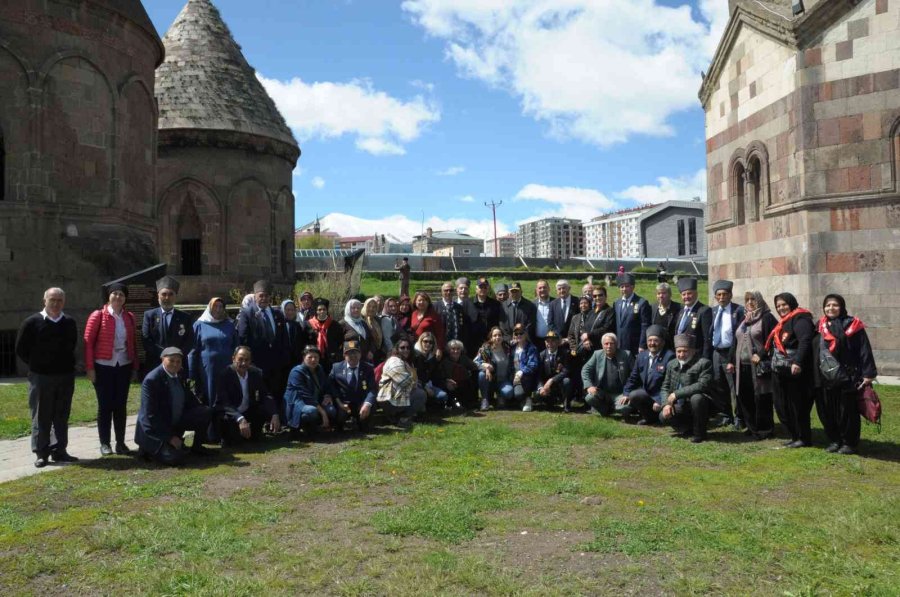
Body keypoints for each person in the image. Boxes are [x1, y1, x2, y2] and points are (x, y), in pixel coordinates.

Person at [15, 287, 79, 467]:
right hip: (41, 377)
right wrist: (38, 365)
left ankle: (60, 450)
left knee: (61, 415)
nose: (56, 303)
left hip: (65, 376)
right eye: (52, 300)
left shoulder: (69, 322)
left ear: (64, 302)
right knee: (41, 415)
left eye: (59, 300)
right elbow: (21, 349)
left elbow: (72, 346)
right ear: (45, 301)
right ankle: (41, 453)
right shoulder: (32, 322)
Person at [816, 294, 878, 455]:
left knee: (847, 411)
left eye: (835, 305)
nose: (831, 308)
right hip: (827, 376)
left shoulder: (853, 324)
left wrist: (868, 373)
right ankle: (835, 440)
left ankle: (849, 443)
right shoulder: (820, 325)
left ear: (842, 307)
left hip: (848, 375)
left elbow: (864, 349)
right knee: (829, 410)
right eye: (828, 305)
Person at [84, 282, 139, 456]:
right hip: (103, 366)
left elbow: (133, 343)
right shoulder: (98, 316)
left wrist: (135, 366)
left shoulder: (129, 317)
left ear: (125, 298)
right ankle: (105, 443)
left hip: (123, 365)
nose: (118, 297)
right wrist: (90, 368)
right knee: (105, 405)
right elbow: (88, 344)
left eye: (121, 294)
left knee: (120, 406)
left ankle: (121, 443)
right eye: (114, 293)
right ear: (108, 296)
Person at [135, 347, 213, 465]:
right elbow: (150, 415)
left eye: (178, 361)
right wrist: (169, 437)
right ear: (162, 360)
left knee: (205, 412)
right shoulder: (152, 380)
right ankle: (147, 450)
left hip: (174, 423)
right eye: (171, 361)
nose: (175, 364)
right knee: (175, 458)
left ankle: (193, 445)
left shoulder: (179, 375)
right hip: (155, 430)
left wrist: (201, 411)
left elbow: (190, 400)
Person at [766, 292, 816, 448]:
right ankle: (794, 435)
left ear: (792, 303)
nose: (781, 308)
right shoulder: (782, 323)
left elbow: (805, 342)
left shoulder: (801, 319)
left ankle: (803, 438)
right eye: (778, 306)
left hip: (795, 371)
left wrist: (798, 362)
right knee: (781, 405)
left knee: (797, 405)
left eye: (784, 304)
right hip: (780, 370)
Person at [188, 297, 238, 436]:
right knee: (210, 398)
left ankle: (227, 432)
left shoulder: (229, 325)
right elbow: (193, 350)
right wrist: (191, 372)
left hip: (227, 367)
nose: (218, 309)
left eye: (221, 307)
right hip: (207, 370)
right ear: (209, 308)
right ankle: (210, 433)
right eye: (215, 306)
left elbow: (236, 346)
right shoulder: (199, 325)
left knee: (227, 397)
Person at [236, 280, 289, 411]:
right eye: (261, 296)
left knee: (276, 391)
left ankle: (276, 420)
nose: (264, 299)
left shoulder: (277, 314)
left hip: (276, 363)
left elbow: (283, 338)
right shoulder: (247, 314)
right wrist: (249, 362)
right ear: (255, 297)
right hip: (257, 363)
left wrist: (283, 358)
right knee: (258, 396)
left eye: (266, 296)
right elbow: (243, 338)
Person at [214, 346, 281, 446]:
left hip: (247, 410)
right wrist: (240, 418)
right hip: (231, 413)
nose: (243, 363)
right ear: (233, 359)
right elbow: (224, 402)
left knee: (263, 409)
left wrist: (275, 414)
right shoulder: (225, 374)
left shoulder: (256, 373)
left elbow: (266, 395)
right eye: (240, 359)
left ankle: (254, 434)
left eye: (247, 360)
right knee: (234, 441)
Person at [733, 291, 777, 440]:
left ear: (760, 300)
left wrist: (762, 354)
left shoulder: (767, 317)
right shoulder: (744, 318)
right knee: (745, 397)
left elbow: (773, 339)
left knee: (762, 397)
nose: (750, 302)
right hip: (742, 366)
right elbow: (737, 339)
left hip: (758, 365)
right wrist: (732, 361)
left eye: (753, 299)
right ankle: (752, 427)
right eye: (747, 299)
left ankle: (765, 429)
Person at [659, 334, 715, 443]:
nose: (681, 354)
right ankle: (687, 428)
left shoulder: (704, 363)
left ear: (693, 351)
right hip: (681, 405)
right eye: (678, 351)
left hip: (702, 405)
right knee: (663, 416)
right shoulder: (671, 364)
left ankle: (700, 433)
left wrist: (676, 394)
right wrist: (666, 404)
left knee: (696, 398)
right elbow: (665, 387)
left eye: (685, 351)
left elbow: (702, 385)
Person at [622, 325, 675, 425]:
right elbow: (633, 377)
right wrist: (626, 393)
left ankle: (654, 417)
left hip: (661, 397)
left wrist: (660, 400)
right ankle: (649, 417)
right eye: (649, 340)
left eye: (656, 340)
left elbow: (670, 384)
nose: (652, 344)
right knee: (629, 401)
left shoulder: (669, 357)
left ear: (662, 342)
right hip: (646, 395)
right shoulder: (642, 356)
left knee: (636, 395)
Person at [710, 280, 745, 427]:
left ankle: (739, 417)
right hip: (716, 352)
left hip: (732, 352)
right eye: (719, 295)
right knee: (719, 384)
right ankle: (726, 414)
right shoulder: (712, 311)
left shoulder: (738, 311)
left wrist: (732, 357)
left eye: (725, 294)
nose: (722, 297)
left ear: (730, 295)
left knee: (734, 386)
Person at [284, 346, 341, 434]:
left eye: (316, 357)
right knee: (311, 411)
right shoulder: (296, 372)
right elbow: (304, 394)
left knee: (331, 409)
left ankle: (320, 428)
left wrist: (327, 395)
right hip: (299, 402)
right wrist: (322, 412)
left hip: (316, 401)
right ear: (304, 358)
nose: (313, 360)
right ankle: (300, 429)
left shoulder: (319, 368)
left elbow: (326, 385)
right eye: (310, 357)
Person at [142, 276, 194, 371]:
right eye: (164, 294)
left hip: (178, 364)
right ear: (158, 295)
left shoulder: (185, 317)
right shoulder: (149, 316)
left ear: (176, 296)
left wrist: (176, 356)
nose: (167, 297)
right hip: (155, 363)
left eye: (171, 294)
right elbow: (146, 340)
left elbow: (189, 341)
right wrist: (165, 355)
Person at [376, 339, 427, 428]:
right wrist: (415, 384)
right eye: (402, 348)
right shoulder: (394, 361)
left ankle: (395, 418)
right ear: (396, 349)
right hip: (388, 400)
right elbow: (405, 381)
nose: (406, 350)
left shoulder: (405, 362)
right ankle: (402, 419)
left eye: (408, 348)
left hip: (396, 396)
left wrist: (415, 383)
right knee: (421, 394)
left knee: (419, 390)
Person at [329, 340, 378, 431]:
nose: (353, 356)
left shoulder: (368, 367)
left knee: (365, 427)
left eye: (355, 352)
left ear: (360, 354)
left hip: (361, 402)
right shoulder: (336, 367)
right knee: (338, 427)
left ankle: (361, 422)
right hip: (343, 403)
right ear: (344, 355)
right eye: (349, 353)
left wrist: (367, 404)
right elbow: (331, 386)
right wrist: (339, 402)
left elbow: (372, 389)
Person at [582, 333, 634, 416]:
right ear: (602, 345)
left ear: (616, 344)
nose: (609, 346)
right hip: (602, 393)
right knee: (589, 398)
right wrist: (589, 386)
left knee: (625, 408)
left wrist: (628, 394)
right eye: (606, 344)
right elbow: (585, 370)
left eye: (611, 343)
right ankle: (607, 410)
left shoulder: (626, 355)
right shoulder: (597, 354)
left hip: (620, 394)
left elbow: (634, 375)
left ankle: (611, 409)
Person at [462, 277, 504, 357]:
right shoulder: (467, 303)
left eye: (485, 287)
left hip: (490, 342)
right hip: (472, 343)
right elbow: (464, 324)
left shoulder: (495, 304)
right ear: (476, 289)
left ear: (488, 289)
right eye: (481, 287)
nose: (483, 289)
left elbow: (498, 323)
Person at [476, 326, 514, 411]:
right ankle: (485, 399)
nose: (497, 337)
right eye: (495, 335)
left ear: (502, 337)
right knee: (481, 374)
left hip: (504, 380)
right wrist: (485, 366)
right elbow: (475, 362)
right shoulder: (485, 348)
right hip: (491, 380)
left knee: (509, 393)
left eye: (499, 335)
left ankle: (500, 395)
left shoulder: (508, 348)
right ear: (491, 337)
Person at [674, 277, 713, 360]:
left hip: (697, 357)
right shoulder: (681, 312)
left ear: (696, 294)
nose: (686, 297)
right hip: (681, 356)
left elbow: (707, 338)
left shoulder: (704, 310)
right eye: (684, 294)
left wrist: (704, 359)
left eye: (689, 293)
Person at [613, 273, 652, 355]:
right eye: (621, 287)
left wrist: (642, 345)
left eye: (627, 286)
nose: (624, 289)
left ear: (633, 287)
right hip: (619, 345)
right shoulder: (616, 303)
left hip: (635, 346)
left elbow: (645, 325)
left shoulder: (642, 303)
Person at [436, 339, 480, 409]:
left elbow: (475, 367)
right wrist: (446, 381)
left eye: (458, 349)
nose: (456, 351)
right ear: (448, 350)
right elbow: (439, 376)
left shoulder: (464, 358)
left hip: (463, 384)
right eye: (453, 349)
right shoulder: (444, 361)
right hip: (449, 385)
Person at [536, 330, 573, 411]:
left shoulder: (565, 353)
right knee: (538, 394)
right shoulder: (541, 355)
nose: (550, 344)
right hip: (547, 386)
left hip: (559, 383)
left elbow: (566, 371)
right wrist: (541, 387)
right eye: (547, 341)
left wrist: (552, 380)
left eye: (553, 341)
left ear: (558, 342)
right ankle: (549, 402)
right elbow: (539, 375)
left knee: (567, 381)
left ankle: (566, 403)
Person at [308, 298, 346, 369]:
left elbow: (341, 341)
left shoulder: (335, 325)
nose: (322, 311)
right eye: (319, 310)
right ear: (316, 311)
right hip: (314, 359)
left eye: (324, 309)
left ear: (327, 310)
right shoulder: (308, 325)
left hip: (331, 360)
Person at [412, 332, 446, 409]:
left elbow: (436, 375)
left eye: (431, 342)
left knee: (443, 396)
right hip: (417, 385)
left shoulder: (433, 357)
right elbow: (413, 377)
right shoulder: (414, 356)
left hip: (429, 385)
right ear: (420, 342)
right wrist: (425, 387)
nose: (428, 344)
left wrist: (446, 381)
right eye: (425, 341)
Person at [510, 323, 539, 412]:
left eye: (521, 333)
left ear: (526, 334)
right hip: (513, 377)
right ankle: (520, 401)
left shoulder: (531, 348)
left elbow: (533, 365)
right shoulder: (512, 348)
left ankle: (528, 399)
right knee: (507, 393)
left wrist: (521, 372)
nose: (519, 335)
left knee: (518, 394)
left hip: (526, 378)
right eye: (516, 334)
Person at [652, 282, 682, 347]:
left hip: (672, 345)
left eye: (664, 293)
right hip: (655, 345)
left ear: (670, 294)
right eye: (658, 293)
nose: (661, 296)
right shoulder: (652, 307)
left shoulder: (679, 308)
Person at [533, 279, 554, 351]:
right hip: (536, 341)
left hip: (552, 341)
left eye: (544, 287)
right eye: (540, 288)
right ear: (536, 290)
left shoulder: (556, 303)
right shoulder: (532, 305)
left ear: (549, 289)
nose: (542, 289)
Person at [362, 297, 385, 363]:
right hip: (366, 354)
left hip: (377, 354)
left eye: (374, 307)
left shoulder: (378, 320)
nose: (371, 309)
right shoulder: (361, 320)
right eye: (369, 306)